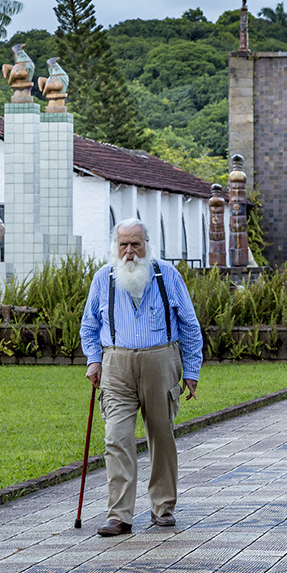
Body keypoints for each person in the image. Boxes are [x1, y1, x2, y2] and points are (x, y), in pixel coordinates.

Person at [80, 219, 203, 536]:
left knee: (161, 438)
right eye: (123, 245)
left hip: (161, 361)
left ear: (147, 244)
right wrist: (94, 361)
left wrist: (191, 371)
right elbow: (90, 327)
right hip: (116, 366)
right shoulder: (103, 279)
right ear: (115, 247)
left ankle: (163, 508)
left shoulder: (166, 275)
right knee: (116, 438)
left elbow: (189, 325)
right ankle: (119, 515)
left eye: (136, 244)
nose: (130, 251)